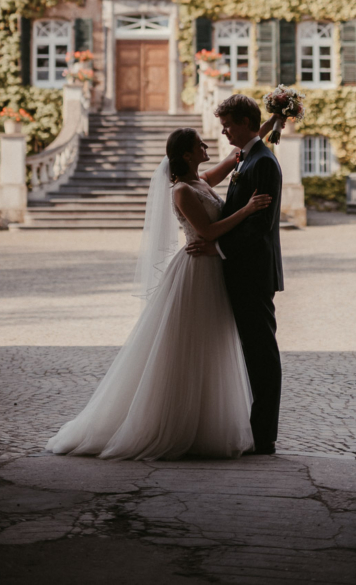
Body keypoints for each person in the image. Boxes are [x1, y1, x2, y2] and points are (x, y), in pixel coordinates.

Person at [45, 116, 278, 461]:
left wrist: (272, 120)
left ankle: (205, 421)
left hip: (214, 269)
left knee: (212, 347)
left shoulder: (200, 181)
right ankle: (171, 423)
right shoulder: (182, 191)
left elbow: (238, 155)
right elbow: (209, 233)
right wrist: (246, 209)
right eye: (199, 143)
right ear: (186, 155)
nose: (207, 146)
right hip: (197, 270)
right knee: (187, 348)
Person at [187, 94, 284, 455]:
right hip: (238, 271)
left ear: (244, 122)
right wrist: (273, 120)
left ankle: (264, 436)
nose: (223, 131)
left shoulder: (264, 163)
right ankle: (252, 426)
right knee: (249, 351)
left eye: (228, 124)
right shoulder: (246, 156)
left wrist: (218, 249)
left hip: (253, 272)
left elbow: (260, 225)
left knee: (261, 353)